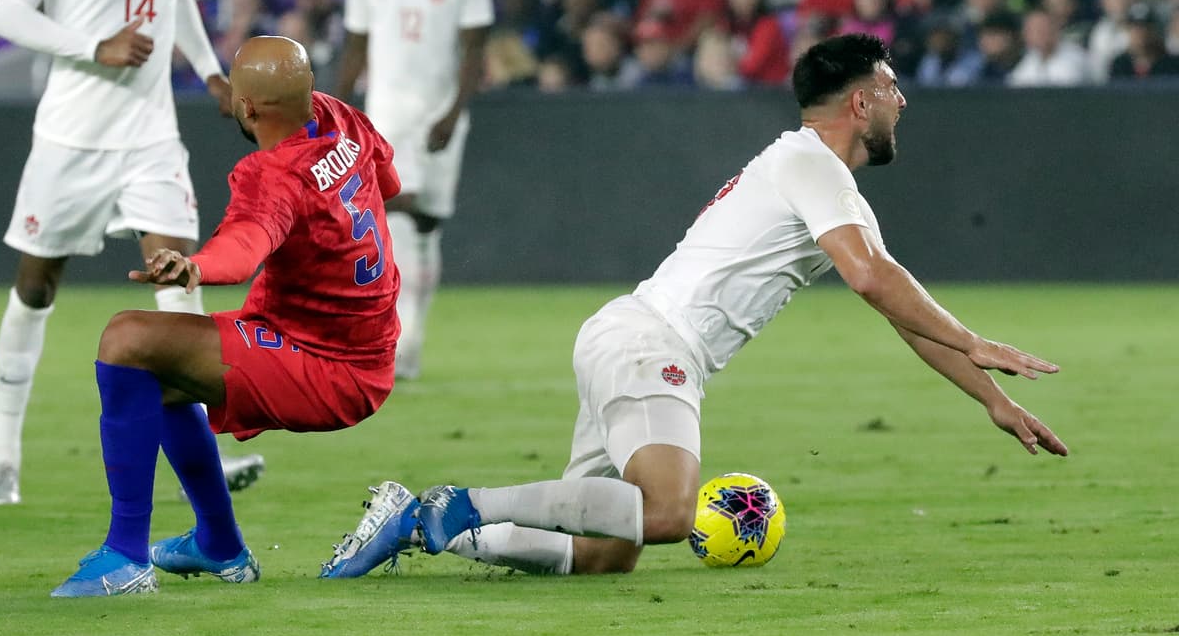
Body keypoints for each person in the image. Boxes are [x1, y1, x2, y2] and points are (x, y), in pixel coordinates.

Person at [321, 33, 1068, 580]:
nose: (903, 103)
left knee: (608, 553)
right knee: (672, 512)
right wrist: (974, 339)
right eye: (893, 89)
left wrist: (991, 399)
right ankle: (447, 506)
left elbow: (891, 300)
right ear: (861, 99)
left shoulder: (827, 185)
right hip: (656, 345)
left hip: (636, 339)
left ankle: (424, 530)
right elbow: (873, 280)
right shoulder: (808, 160)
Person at [0, 0, 262, 506]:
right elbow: (6, 14)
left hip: (150, 135)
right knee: (37, 286)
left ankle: (204, 453)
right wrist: (94, 46)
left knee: (181, 283)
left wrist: (211, 74)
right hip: (71, 139)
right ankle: (3, 456)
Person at [51, 35, 402, 597]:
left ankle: (125, 559)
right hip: (355, 344)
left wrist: (195, 265)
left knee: (126, 339)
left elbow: (245, 243)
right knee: (157, 371)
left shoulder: (271, 173)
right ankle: (219, 546)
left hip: (329, 365)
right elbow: (389, 183)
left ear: (247, 107)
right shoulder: (340, 117)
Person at [334, 0, 493, 381]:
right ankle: (397, 343)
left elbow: (474, 51)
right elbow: (355, 49)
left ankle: (413, 337)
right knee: (391, 221)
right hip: (385, 116)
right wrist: (334, 111)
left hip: (440, 115)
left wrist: (454, 112)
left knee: (425, 226)